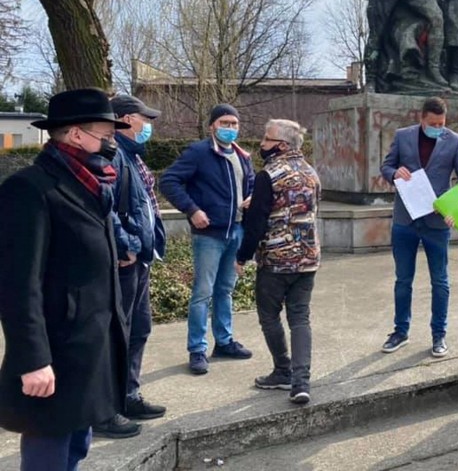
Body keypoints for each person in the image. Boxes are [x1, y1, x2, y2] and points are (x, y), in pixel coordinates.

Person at [0, 88, 130, 470]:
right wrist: (33, 359)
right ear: (75, 134)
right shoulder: (30, 189)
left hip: (90, 348)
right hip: (55, 352)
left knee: (76, 447)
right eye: (105, 136)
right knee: (48, 454)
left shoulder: (94, 183)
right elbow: (17, 285)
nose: (111, 145)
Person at [91, 95, 168, 439]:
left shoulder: (132, 156)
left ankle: (128, 394)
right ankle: (105, 408)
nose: (148, 124)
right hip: (127, 260)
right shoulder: (113, 155)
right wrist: (128, 247)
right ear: (123, 119)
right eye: (143, 118)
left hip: (141, 260)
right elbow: (106, 208)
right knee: (117, 336)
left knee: (138, 330)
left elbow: (143, 205)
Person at [160, 104, 255, 375]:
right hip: (209, 235)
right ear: (212, 125)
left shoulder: (242, 156)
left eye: (234, 123)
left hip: (236, 231)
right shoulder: (199, 152)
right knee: (202, 293)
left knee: (225, 290)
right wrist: (192, 210)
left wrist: (250, 199)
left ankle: (224, 342)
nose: (230, 128)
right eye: (225, 122)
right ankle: (197, 349)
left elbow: (248, 186)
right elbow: (169, 181)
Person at [379, 96, 458, 357]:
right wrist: (394, 173)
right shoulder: (403, 136)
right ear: (421, 118)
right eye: (433, 123)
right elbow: (386, 166)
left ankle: (439, 335)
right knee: (403, 280)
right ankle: (400, 332)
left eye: (442, 123)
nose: (438, 127)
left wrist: (450, 205)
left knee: (440, 281)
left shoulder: (455, 141)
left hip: (437, 221)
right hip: (405, 219)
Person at [236, 119, 321, 406]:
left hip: (276, 260)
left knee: (269, 316)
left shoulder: (268, 175)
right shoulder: (311, 173)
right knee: (300, 318)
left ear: (282, 145)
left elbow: (257, 221)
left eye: (267, 138)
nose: (262, 143)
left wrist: (242, 256)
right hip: (308, 259)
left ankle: (282, 369)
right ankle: (301, 383)